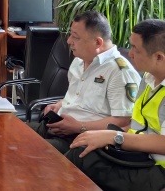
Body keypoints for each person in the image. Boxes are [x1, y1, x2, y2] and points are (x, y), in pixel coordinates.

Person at [66, 19, 165, 190]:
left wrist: (114, 137)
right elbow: (139, 126)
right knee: (82, 150)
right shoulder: (148, 79)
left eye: (135, 49)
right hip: (137, 156)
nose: (130, 54)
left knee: (80, 159)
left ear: (159, 57)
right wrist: (103, 136)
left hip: (158, 171)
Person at [31, 10, 141, 153]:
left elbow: (124, 121)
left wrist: (78, 126)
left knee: (28, 150)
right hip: (58, 127)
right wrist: (60, 104)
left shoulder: (120, 72)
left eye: (75, 37)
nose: (69, 41)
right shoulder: (79, 61)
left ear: (97, 42)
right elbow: (79, 97)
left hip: (83, 140)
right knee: (12, 132)